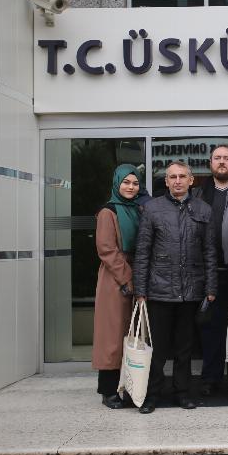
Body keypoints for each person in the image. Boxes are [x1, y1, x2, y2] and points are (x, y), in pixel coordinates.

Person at [133, 160, 217, 414]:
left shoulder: (204, 209)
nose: (178, 181)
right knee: (157, 349)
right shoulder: (152, 209)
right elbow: (142, 251)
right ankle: (152, 395)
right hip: (159, 290)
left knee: (185, 348)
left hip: (191, 291)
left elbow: (210, 251)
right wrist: (140, 289)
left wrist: (211, 288)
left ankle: (183, 392)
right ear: (166, 181)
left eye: (182, 176)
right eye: (172, 177)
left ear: (191, 180)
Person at [193, 145, 228, 397]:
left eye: (227, 158)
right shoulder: (198, 194)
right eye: (218, 158)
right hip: (207, 273)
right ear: (210, 163)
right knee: (210, 328)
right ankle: (210, 378)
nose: (222, 162)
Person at [91, 164, 141, 409]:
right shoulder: (107, 212)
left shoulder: (138, 209)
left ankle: (131, 386)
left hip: (135, 275)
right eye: (126, 183)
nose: (130, 187)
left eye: (135, 183)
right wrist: (126, 278)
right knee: (111, 336)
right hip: (115, 277)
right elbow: (106, 249)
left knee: (132, 335)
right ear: (117, 184)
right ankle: (108, 390)